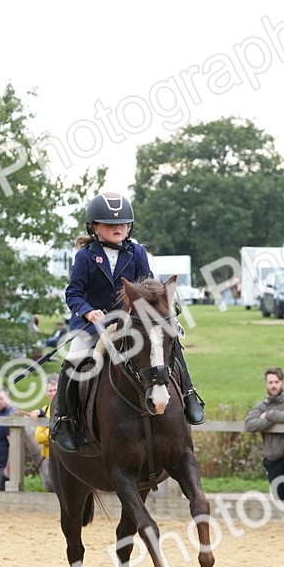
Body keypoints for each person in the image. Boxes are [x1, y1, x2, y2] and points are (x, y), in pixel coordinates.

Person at [52, 192, 205, 452]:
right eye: (111, 225)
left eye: (123, 224)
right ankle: (65, 420)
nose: (118, 228)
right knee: (74, 360)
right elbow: (73, 294)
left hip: (130, 323)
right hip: (94, 325)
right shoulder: (85, 257)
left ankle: (189, 395)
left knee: (171, 345)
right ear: (95, 227)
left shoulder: (137, 253)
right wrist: (89, 312)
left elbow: (148, 288)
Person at [244, 367, 284, 502]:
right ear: (266, 384)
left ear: (283, 383)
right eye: (270, 382)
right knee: (280, 497)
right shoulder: (262, 405)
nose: (273, 385)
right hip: (272, 457)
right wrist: (272, 421)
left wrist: (269, 415)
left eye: (276, 382)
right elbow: (249, 424)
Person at [33, 375, 58, 494]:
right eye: (50, 390)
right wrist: (55, 431)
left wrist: (48, 432)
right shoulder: (45, 409)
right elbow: (39, 437)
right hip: (49, 458)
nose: (53, 393)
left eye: (55, 390)